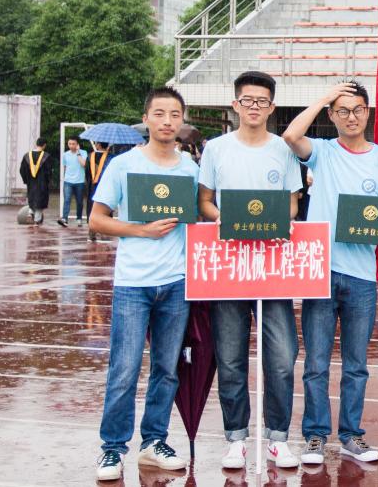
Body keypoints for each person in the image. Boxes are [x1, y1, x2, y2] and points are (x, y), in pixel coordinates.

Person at [282, 80, 378, 465]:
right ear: (332, 115)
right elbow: (291, 136)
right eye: (343, 111)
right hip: (320, 270)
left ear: (368, 112)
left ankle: (352, 435)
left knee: (356, 365)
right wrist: (323, 97)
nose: (351, 117)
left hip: (361, 276)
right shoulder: (323, 152)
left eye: (358, 110)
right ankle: (315, 436)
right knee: (316, 363)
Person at [90, 87, 198, 480]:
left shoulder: (190, 168)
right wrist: (141, 230)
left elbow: (200, 217)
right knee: (124, 368)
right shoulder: (123, 165)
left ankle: (154, 441)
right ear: (146, 118)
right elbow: (97, 220)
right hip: (133, 283)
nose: (167, 121)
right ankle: (112, 448)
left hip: (176, 283)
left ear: (182, 121)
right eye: (160, 113)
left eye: (174, 114)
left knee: (167, 369)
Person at [198, 71, 304, 469]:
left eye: (262, 101)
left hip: (273, 265)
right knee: (230, 356)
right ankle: (236, 438)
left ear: (272, 107)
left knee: (282, 356)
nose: (254, 107)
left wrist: (279, 222)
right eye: (247, 100)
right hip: (230, 264)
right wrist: (223, 220)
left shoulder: (283, 150)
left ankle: (278, 438)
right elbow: (205, 201)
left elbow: (292, 204)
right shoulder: (216, 149)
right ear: (235, 104)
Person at [19, 137, 54, 224]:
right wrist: (49, 181)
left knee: (32, 197)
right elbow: (49, 171)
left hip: (31, 182)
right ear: (44, 145)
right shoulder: (46, 156)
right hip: (42, 183)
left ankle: (30, 212)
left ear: (36, 144)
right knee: (40, 201)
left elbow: (22, 170)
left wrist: (26, 180)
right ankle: (37, 221)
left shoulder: (27, 156)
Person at [58, 136, 88, 227]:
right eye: (69, 144)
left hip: (80, 181)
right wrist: (64, 177)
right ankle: (64, 219)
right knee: (67, 200)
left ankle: (79, 218)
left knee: (79, 201)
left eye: (73, 144)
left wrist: (78, 152)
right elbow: (65, 167)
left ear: (77, 144)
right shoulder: (65, 154)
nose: (71, 146)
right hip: (68, 181)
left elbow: (83, 164)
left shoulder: (83, 152)